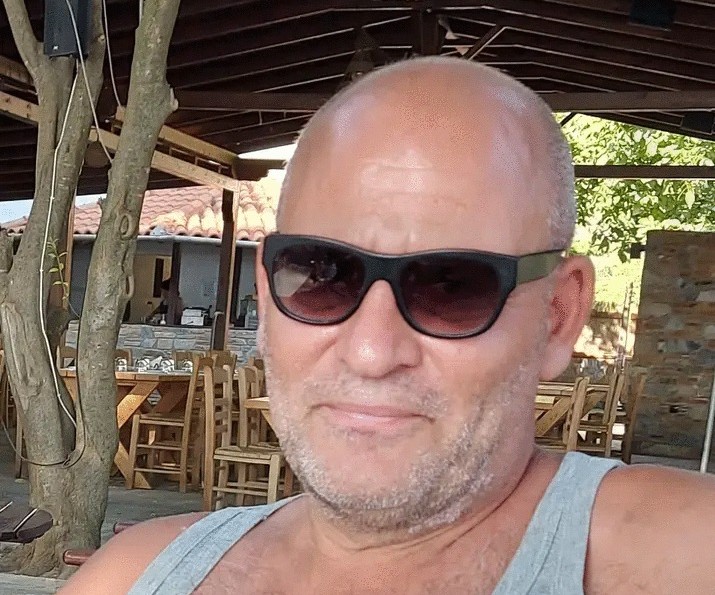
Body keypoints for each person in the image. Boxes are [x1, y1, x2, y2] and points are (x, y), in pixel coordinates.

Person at [62, 57, 715, 594]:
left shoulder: (681, 552)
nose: (372, 350)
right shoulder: (132, 575)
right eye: (322, 275)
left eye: (452, 285)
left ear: (557, 317)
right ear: (266, 291)